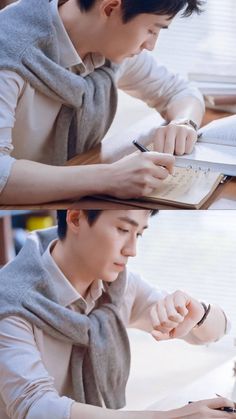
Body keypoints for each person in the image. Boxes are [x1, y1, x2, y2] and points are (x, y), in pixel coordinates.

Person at [0, 209, 233, 419]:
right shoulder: (10, 301)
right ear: (75, 218)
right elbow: (34, 407)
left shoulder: (115, 287)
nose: (132, 250)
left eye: (138, 234)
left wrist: (198, 313)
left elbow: (219, 330)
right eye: (123, 230)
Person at [0, 0, 205, 205]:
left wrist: (184, 122)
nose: (150, 46)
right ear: (110, 8)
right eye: (152, 29)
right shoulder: (9, 53)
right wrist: (110, 177)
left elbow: (180, 91)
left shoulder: (104, 44)